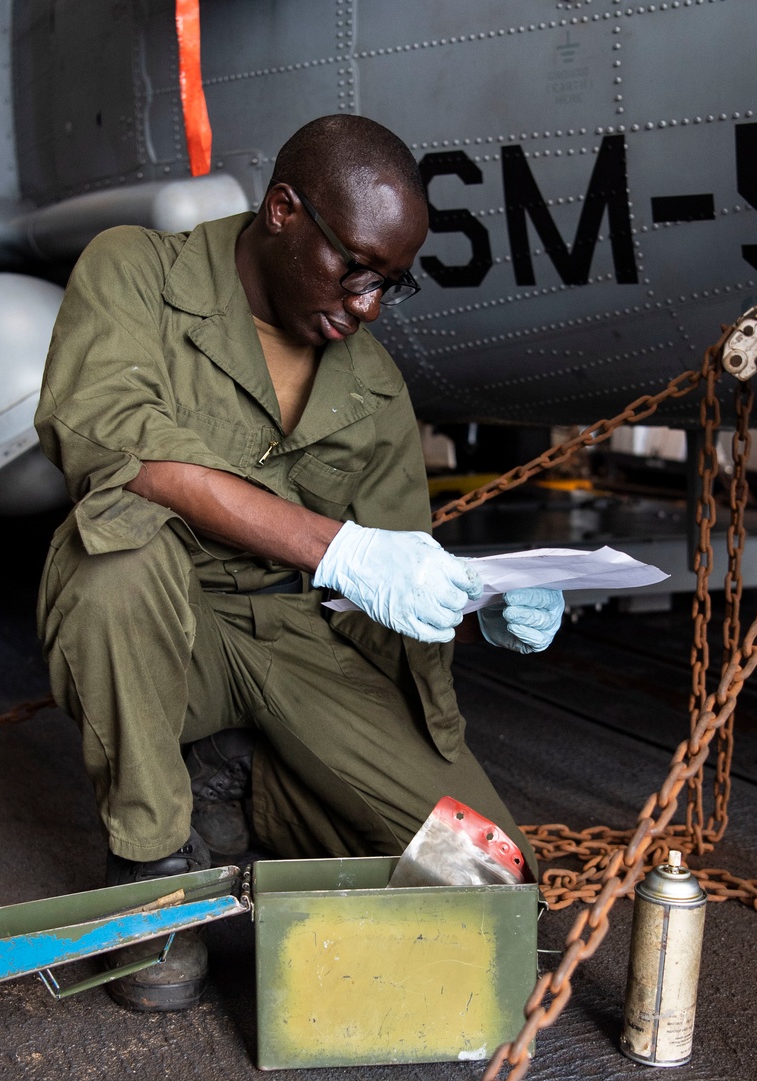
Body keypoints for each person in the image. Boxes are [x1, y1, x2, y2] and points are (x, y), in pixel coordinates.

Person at [35, 115, 564, 1010]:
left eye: (390, 285)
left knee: (490, 880)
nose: (366, 305)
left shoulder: (374, 382)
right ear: (283, 210)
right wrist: (342, 548)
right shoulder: (137, 274)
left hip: (297, 631)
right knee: (111, 565)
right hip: (165, 621)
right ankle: (153, 869)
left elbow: (394, 566)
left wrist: (478, 604)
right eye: (355, 268)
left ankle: (237, 798)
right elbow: (124, 453)